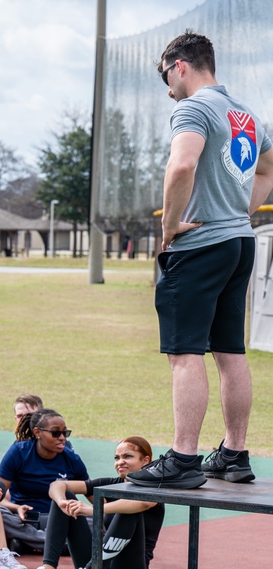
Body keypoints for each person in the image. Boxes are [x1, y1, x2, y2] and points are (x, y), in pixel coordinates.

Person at [128, 31, 273, 489]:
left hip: (199, 245)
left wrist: (169, 226)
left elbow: (183, 165)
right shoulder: (245, 113)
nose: (167, 89)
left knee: (185, 352)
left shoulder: (191, 108)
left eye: (164, 77)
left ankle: (184, 459)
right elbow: (268, 168)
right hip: (238, 242)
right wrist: (239, 212)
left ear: (179, 65)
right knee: (230, 351)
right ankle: (234, 454)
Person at [12, 437, 165, 569]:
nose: (120, 462)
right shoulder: (111, 483)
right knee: (66, 497)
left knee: (128, 508)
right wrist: (62, 502)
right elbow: (57, 485)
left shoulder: (153, 489)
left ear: (145, 460)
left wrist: (93, 510)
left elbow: (141, 503)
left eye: (127, 456)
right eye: (117, 458)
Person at [0, 409, 90, 554]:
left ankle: (27, 543)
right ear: (37, 432)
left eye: (65, 433)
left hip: (59, 520)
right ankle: (61, 544)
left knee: (97, 522)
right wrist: (16, 508)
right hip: (24, 519)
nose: (62, 438)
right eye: (55, 433)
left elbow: (94, 495)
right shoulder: (18, 453)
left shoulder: (71, 458)